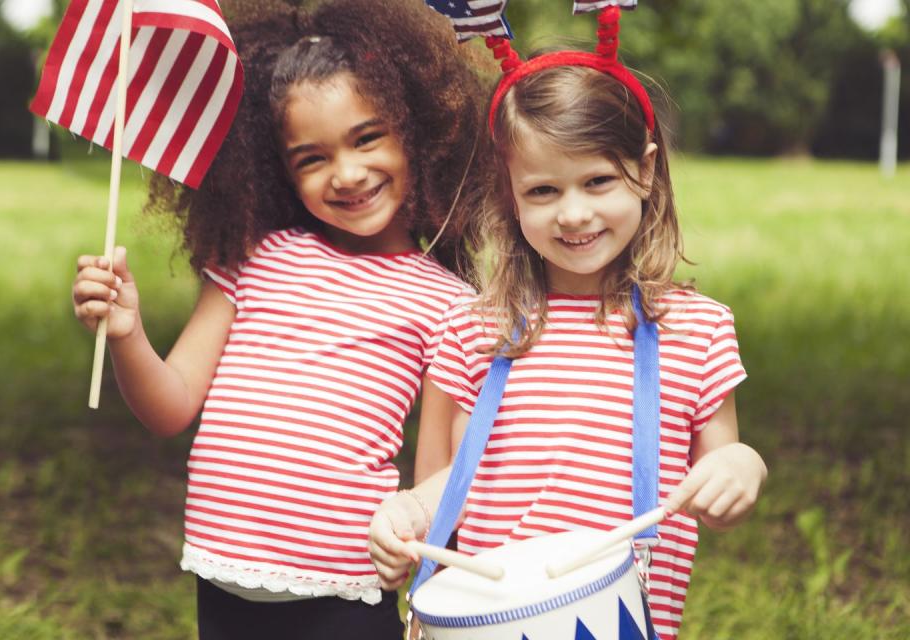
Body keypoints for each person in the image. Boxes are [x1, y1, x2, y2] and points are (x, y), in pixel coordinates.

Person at [71, 1, 486, 638]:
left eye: (367, 137)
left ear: (416, 130)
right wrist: (127, 334)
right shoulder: (256, 255)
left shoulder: (446, 300)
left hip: (343, 588)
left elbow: (438, 473)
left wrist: (416, 529)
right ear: (279, 171)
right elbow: (172, 405)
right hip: (223, 573)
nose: (347, 174)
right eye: (310, 158)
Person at [368, 8, 768, 640]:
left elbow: (718, 479)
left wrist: (742, 467)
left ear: (646, 168)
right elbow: (447, 486)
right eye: (543, 191)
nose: (574, 214)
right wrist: (406, 512)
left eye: (598, 180)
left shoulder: (697, 332)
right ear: (510, 193)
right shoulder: (476, 329)